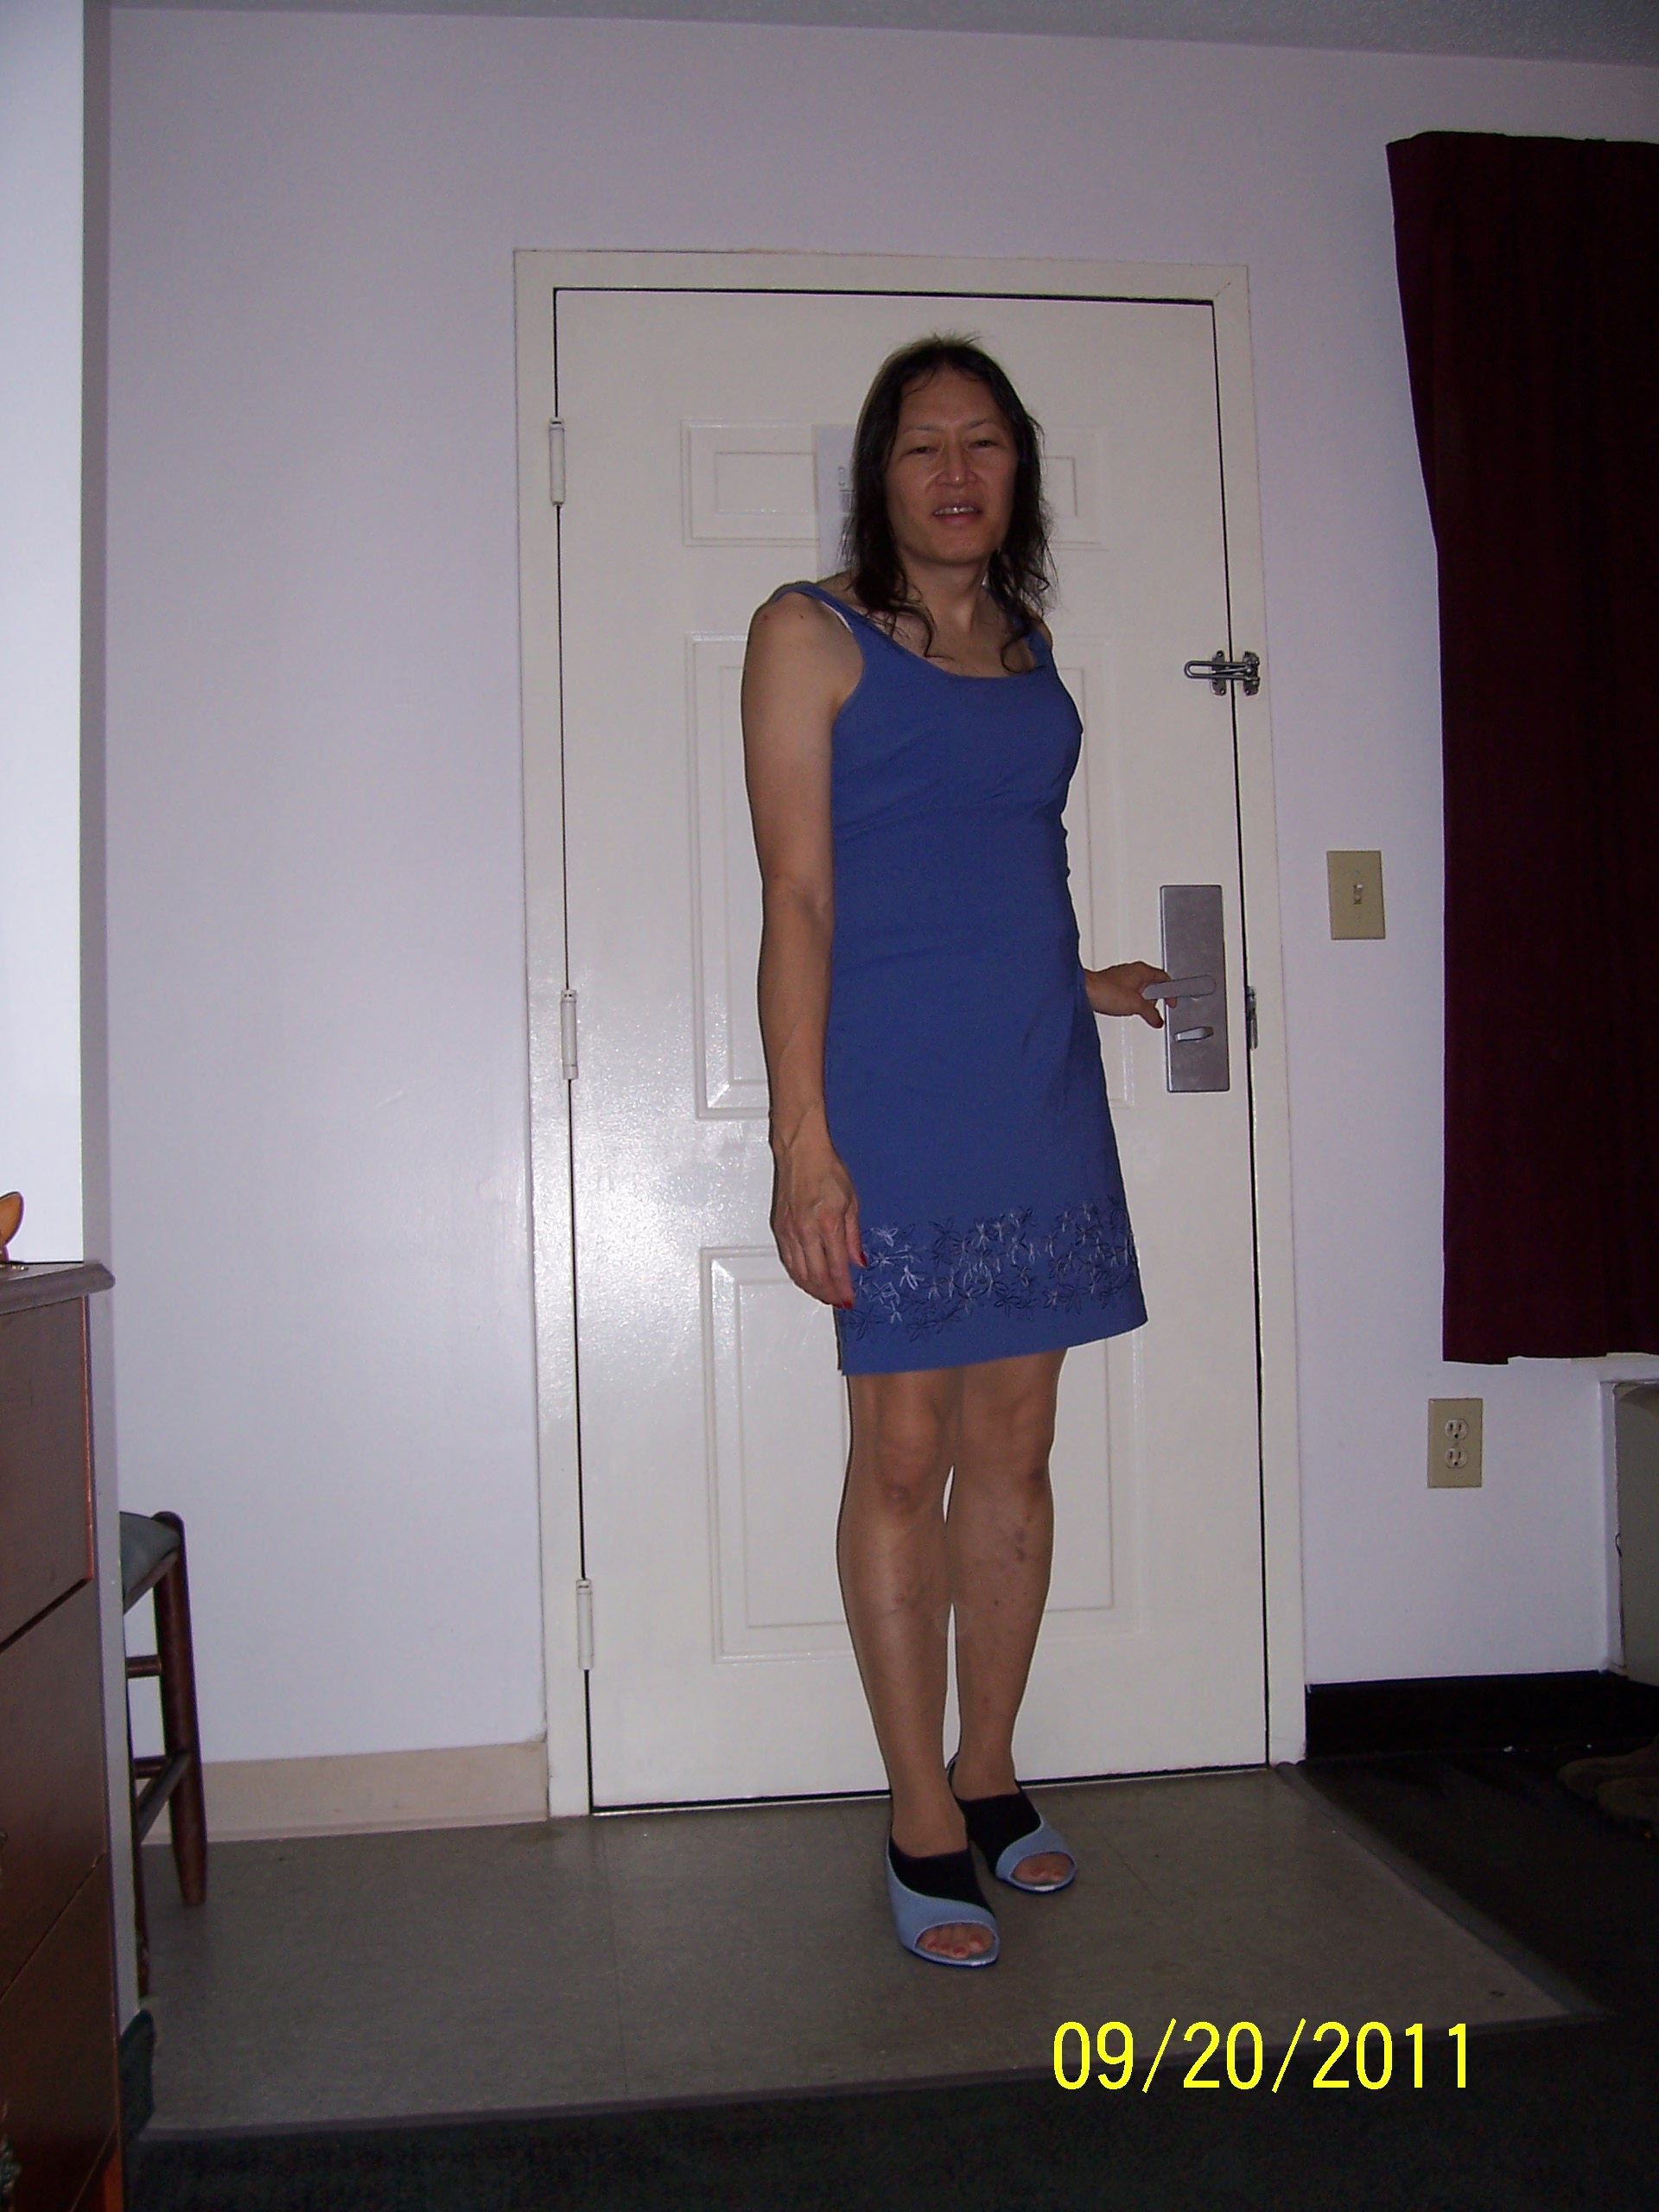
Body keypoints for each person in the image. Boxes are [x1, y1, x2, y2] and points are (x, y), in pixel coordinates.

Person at [741, 336, 1168, 1967]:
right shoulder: (809, 632)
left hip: (1035, 1083)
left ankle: (991, 1767)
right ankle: (919, 1805)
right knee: (901, 1448)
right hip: (892, 1099)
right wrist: (804, 1142)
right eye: (924, 445)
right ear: (881, 472)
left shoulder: (1028, 647)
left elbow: (992, 867)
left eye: (984, 443)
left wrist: (1082, 983)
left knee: (1019, 1445)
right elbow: (801, 894)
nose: (956, 472)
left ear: (1017, 470)